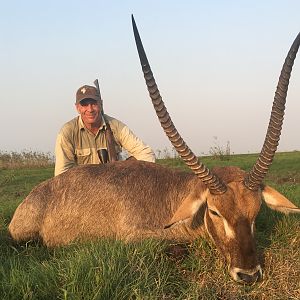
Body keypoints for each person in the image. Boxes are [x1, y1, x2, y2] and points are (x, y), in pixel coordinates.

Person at [54, 82, 156, 176]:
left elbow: (146, 153)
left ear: (101, 104)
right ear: (77, 108)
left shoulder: (115, 126)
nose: (90, 109)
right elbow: (61, 174)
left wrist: (126, 171)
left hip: (117, 183)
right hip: (84, 189)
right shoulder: (67, 132)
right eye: (84, 104)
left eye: (94, 103)